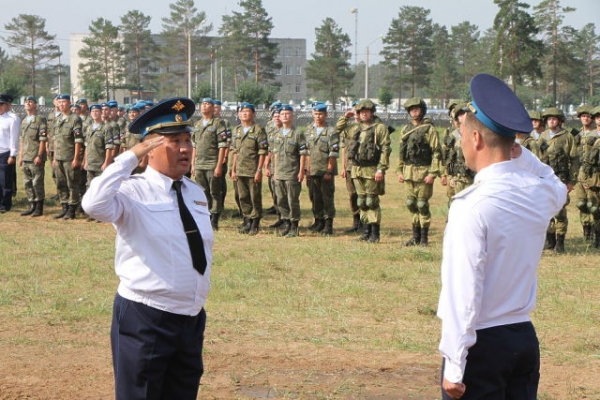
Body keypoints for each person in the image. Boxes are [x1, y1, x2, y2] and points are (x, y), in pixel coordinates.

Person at [437, 73, 567, 400]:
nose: (461, 143)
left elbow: (463, 289)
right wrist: (515, 150)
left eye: (462, 136)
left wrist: (454, 363)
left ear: (477, 138)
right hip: (523, 337)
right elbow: (554, 183)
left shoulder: (471, 205)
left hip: (481, 345)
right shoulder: (538, 194)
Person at [82, 97, 212, 400]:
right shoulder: (131, 191)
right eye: (175, 141)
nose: (185, 148)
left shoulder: (195, 192)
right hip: (146, 318)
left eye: (187, 140)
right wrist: (129, 157)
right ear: (151, 149)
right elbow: (92, 205)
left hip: (190, 318)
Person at [344, 99, 391, 243]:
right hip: (357, 169)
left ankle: (375, 234)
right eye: (361, 112)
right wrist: (346, 116)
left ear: (372, 113)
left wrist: (381, 169)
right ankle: (365, 232)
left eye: (367, 112)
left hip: (371, 169)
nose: (364, 114)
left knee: (371, 201)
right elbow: (339, 131)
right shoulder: (354, 128)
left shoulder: (379, 128)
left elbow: (385, 149)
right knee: (362, 201)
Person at [397, 97, 442, 246]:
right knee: (411, 203)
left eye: (417, 109)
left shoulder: (429, 129)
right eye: (412, 109)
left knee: (422, 204)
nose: (414, 111)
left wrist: (432, 173)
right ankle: (415, 236)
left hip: (424, 171)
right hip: (409, 171)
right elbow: (401, 153)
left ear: (422, 111)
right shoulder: (405, 130)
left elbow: (436, 152)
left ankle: (424, 238)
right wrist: (399, 171)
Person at [538, 107, 578, 253]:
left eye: (554, 119)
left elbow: (574, 159)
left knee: (560, 211)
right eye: (549, 119)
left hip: (561, 178)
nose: (551, 121)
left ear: (560, 121)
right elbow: (537, 158)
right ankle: (550, 240)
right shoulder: (542, 137)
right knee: (546, 209)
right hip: (545, 178)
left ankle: (560, 242)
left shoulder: (567, 137)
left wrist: (572, 181)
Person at [268, 104, 308, 237]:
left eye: (287, 114)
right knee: (280, 200)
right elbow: (274, 153)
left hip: (292, 172)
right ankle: (286, 223)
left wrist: (302, 171)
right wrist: (272, 169)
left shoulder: (298, 133)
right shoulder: (276, 134)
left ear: (292, 116)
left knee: (292, 200)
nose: (284, 116)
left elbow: (302, 154)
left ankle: (294, 226)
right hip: (279, 172)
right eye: (282, 114)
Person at [230, 102, 268, 235]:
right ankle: (247, 220)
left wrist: (259, 170)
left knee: (254, 197)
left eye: (247, 111)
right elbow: (235, 152)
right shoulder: (237, 130)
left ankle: (255, 222)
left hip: (252, 170)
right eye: (241, 112)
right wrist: (233, 169)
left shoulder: (258, 130)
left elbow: (262, 151)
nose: (244, 114)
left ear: (253, 114)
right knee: (243, 197)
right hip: (240, 169)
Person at [191, 98, 228, 230]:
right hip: (200, 163)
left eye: (207, 104)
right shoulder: (197, 124)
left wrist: (219, 165)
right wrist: (193, 164)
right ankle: (205, 216)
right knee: (202, 192)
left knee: (215, 192)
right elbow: (194, 145)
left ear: (213, 108)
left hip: (212, 163)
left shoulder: (218, 123)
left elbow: (223, 145)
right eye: (202, 104)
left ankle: (214, 218)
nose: (204, 106)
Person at [305, 102, 340, 235]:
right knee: (314, 196)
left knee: (327, 197)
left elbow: (333, 153)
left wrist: (329, 170)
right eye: (316, 114)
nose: (318, 116)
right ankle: (318, 221)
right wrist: (306, 169)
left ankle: (328, 224)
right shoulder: (309, 130)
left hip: (325, 170)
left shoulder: (332, 131)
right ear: (312, 114)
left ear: (326, 115)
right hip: (312, 170)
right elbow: (307, 151)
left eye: (320, 114)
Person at [52, 94, 84, 220]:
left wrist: (76, 158)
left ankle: (72, 210)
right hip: (59, 157)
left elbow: (78, 141)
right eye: (59, 102)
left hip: (69, 157)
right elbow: (55, 139)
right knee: (61, 183)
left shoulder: (75, 119)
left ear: (69, 103)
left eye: (63, 102)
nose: (61, 104)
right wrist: (54, 157)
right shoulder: (58, 119)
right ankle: (64, 207)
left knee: (72, 184)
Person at [17, 96, 48, 217]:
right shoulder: (24, 121)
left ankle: (39, 207)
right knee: (27, 183)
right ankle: (32, 205)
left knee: (37, 183)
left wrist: (40, 155)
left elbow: (43, 140)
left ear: (36, 105)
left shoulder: (40, 120)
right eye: (26, 102)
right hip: (25, 156)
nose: (28, 103)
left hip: (35, 156)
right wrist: (20, 156)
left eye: (31, 102)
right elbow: (22, 140)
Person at [440, 102, 474, 207]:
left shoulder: (474, 132)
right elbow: (446, 156)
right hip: (455, 176)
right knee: (453, 203)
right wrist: (446, 174)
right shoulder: (451, 134)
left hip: (471, 177)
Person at [572, 104, 598, 241]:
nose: (586, 118)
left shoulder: (596, 133)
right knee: (581, 203)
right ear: (580, 118)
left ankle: (595, 229)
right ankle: (586, 229)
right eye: (583, 116)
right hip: (579, 171)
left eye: (588, 116)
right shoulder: (575, 134)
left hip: (593, 172)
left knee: (592, 203)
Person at [0, 93, 20, 213]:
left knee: (5, 180)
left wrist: (12, 155)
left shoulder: (13, 119)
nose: (0, 107)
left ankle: (5, 204)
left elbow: (14, 138)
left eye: (2, 104)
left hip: (6, 153)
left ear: (8, 105)